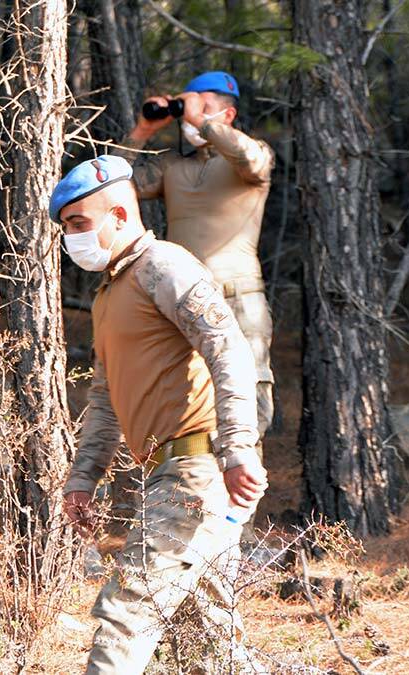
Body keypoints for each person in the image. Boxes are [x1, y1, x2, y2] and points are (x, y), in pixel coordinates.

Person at [52, 154, 268, 674]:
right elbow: (105, 397)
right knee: (209, 640)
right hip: (166, 472)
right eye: (65, 228)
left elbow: (229, 349)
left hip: (198, 471)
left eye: (79, 224)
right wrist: (83, 478)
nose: (71, 238)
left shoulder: (165, 267)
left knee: (128, 610)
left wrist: (238, 447)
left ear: (121, 216)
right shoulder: (109, 293)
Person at [120, 70, 277, 454]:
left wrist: (199, 120)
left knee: (245, 404)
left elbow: (251, 159)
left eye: (205, 106)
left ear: (227, 116)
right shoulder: (172, 166)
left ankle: (242, 507)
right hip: (183, 301)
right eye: (186, 105)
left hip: (238, 299)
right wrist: (142, 132)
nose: (189, 114)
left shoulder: (252, 158)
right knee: (187, 401)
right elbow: (113, 185)